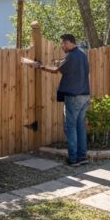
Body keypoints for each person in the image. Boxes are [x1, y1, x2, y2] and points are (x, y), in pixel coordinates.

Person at [38, 34, 91, 166]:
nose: (62, 46)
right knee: (80, 127)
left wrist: (40, 66)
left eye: (63, 43)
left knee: (70, 128)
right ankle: (82, 157)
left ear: (70, 42)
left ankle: (73, 159)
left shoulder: (71, 55)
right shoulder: (82, 55)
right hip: (84, 95)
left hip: (73, 96)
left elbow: (56, 70)